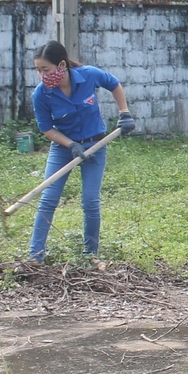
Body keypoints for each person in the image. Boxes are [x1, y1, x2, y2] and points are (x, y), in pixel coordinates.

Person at [29, 41, 135, 263]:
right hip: (63, 147)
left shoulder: (88, 75)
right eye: (38, 70)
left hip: (95, 145)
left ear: (61, 65)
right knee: (48, 199)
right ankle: (35, 257)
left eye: (45, 70)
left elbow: (114, 84)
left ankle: (90, 254)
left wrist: (124, 112)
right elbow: (47, 128)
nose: (41, 75)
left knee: (90, 201)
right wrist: (71, 145)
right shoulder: (41, 94)